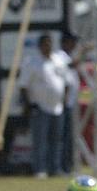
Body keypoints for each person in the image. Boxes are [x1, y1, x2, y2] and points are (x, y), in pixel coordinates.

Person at [19, 33, 67, 179]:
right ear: (40, 46)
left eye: (50, 43)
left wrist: (63, 99)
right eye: (45, 43)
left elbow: (64, 81)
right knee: (40, 140)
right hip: (40, 107)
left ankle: (55, 168)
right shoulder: (32, 63)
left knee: (56, 140)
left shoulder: (58, 60)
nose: (48, 46)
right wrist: (28, 105)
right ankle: (40, 169)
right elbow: (24, 86)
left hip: (57, 107)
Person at [52, 32, 80, 174]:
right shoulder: (59, 56)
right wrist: (84, 51)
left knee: (68, 137)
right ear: (65, 42)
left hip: (69, 103)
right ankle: (62, 167)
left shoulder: (67, 56)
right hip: (62, 104)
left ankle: (67, 166)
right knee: (62, 138)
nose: (75, 45)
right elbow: (72, 65)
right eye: (72, 42)